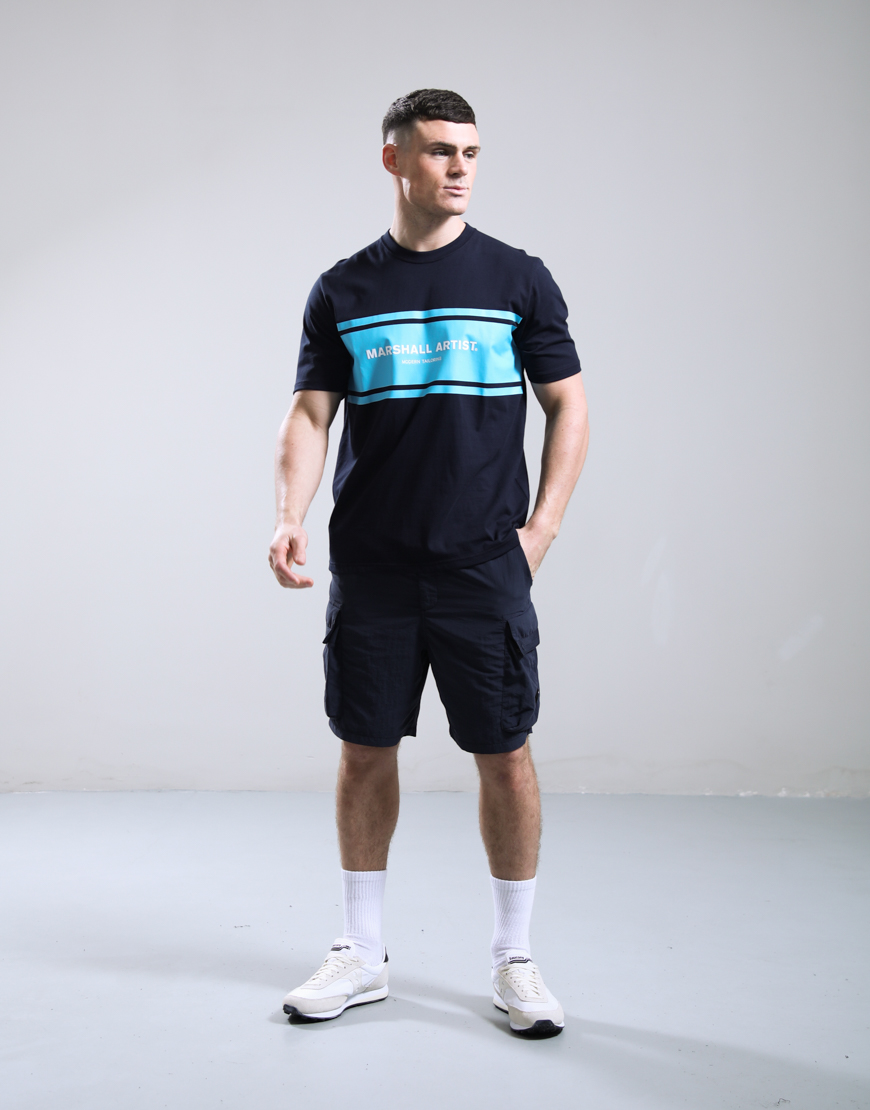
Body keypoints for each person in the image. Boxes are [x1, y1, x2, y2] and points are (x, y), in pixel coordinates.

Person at [268, 89, 588, 1038]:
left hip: (484, 565)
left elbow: (569, 404)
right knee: (364, 749)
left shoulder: (518, 278)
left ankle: (515, 960)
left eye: (472, 153)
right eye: (442, 151)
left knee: (505, 755)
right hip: (373, 566)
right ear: (394, 160)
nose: (460, 168)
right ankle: (362, 953)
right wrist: (288, 516)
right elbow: (310, 414)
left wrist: (541, 531)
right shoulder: (343, 290)